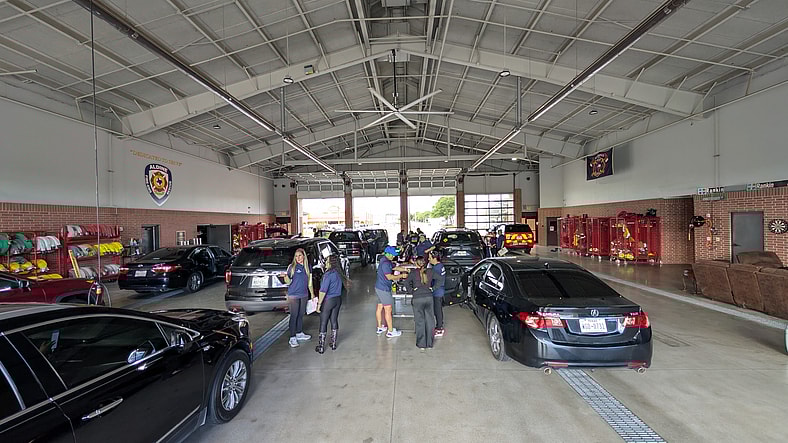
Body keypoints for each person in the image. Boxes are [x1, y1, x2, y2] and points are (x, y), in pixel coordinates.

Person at [315, 254, 350, 354]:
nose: (325, 262)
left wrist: (318, 304)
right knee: (334, 320)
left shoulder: (328, 275)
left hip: (328, 300)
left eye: (326, 261)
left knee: (323, 322)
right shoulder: (339, 273)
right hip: (337, 300)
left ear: (330, 262)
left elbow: (323, 291)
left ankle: (321, 346)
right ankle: (333, 343)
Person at [281, 248, 315, 348]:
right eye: (296, 256)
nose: (298, 258)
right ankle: (292, 337)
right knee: (294, 315)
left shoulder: (308, 267)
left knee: (301, 314)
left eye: (299, 255)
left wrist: (312, 294)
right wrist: (285, 277)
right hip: (294, 295)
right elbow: (288, 282)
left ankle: (299, 333)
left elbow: (310, 283)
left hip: (304, 294)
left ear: (304, 256)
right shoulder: (291, 267)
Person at [376, 246, 408, 338]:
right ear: (388, 254)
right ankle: (390, 331)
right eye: (393, 255)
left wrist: (406, 269)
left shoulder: (385, 260)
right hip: (384, 289)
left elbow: (395, 267)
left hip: (379, 287)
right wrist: (402, 276)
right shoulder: (386, 263)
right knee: (388, 309)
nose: (394, 256)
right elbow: (389, 277)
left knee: (380, 307)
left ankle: (380, 327)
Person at [404, 256, 435, 350]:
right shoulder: (431, 271)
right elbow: (441, 279)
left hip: (417, 299)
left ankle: (422, 344)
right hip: (429, 298)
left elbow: (406, 283)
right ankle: (429, 344)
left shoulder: (413, 273)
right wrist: (433, 288)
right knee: (430, 321)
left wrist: (412, 291)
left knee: (420, 321)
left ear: (416, 264)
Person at [429, 250, 446, 337]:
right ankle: (439, 325)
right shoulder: (440, 266)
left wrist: (432, 288)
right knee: (438, 309)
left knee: (437, 310)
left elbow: (439, 280)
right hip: (440, 290)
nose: (429, 259)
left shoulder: (436, 268)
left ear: (434, 258)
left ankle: (439, 328)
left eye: (430, 258)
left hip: (437, 292)